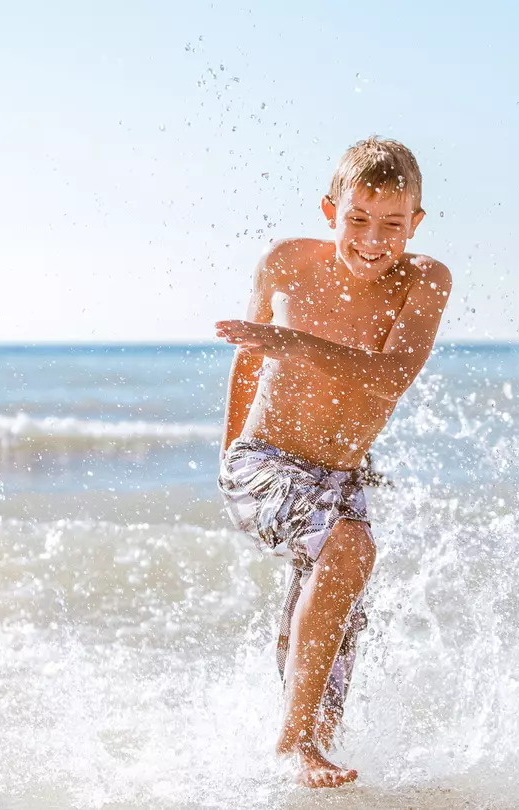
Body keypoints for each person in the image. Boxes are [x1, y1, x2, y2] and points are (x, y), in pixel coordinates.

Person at [215, 136, 451, 787]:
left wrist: (292, 343)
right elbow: (248, 360)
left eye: (392, 225)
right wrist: (227, 459)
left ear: (416, 223)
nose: (373, 239)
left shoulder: (426, 279)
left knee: (338, 603)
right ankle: (291, 745)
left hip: (341, 475)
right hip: (263, 460)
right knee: (349, 551)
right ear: (330, 211)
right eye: (358, 220)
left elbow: (391, 376)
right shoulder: (286, 263)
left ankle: (314, 747)